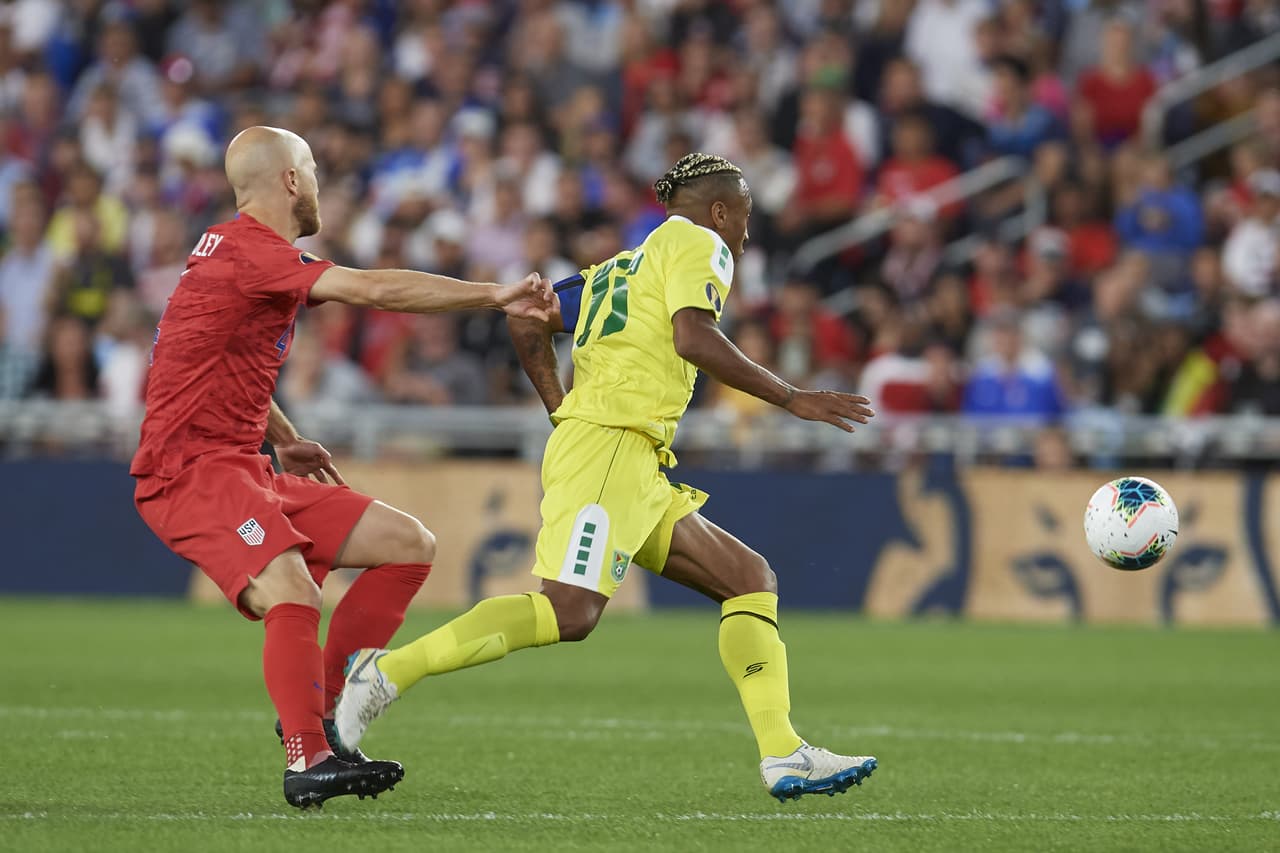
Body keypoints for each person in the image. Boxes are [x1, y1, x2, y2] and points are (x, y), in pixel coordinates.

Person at [335, 153, 880, 802]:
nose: (746, 233)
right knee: (569, 611)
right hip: (610, 449)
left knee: (749, 578)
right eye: (745, 217)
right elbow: (693, 338)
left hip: (628, 456)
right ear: (719, 211)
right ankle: (385, 672)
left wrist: (558, 407)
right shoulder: (704, 244)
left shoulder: (623, 265)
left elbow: (525, 314)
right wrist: (791, 396)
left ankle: (783, 752)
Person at [130, 126, 552, 809]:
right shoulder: (254, 253)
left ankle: (319, 714)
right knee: (294, 590)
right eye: (314, 168)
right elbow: (376, 288)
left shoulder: (234, 252)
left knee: (408, 545)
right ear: (291, 181)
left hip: (245, 463)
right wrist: (495, 294)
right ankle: (307, 760)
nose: (320, 181)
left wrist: (287, 435)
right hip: (191, 471)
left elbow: (211, 359)